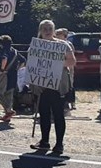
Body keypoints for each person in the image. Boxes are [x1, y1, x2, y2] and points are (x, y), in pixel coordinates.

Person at [30, 20, 76, 154]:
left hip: (58, 86)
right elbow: (31, 64)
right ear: (40, 30)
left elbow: (72, 61)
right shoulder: (36, 45)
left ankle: (59, 144)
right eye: (44, 28)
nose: (47, 30)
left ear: (54, 30)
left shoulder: (63, 45)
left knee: (58, 115)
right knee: (43, 114)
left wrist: (55, 63)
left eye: (49, 28)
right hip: (42, 86)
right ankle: (44, 141)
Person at [0, 35, 25, 122]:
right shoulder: (15, 51)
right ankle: (7, 115)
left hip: (6, 75)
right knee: (9, 95)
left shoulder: (4, 50)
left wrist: (2, 70)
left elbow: (4, 59)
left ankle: (8, 110)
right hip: (13, 74)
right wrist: (17, 69)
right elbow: (23, 61)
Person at [55, 28, 76, 112]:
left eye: (59, 35)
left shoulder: (68, 44)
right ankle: (64, 102)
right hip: (59, 69)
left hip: (68, 68)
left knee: (69, 84)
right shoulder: (56, 44)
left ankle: (71, 101)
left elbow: (71, 56)